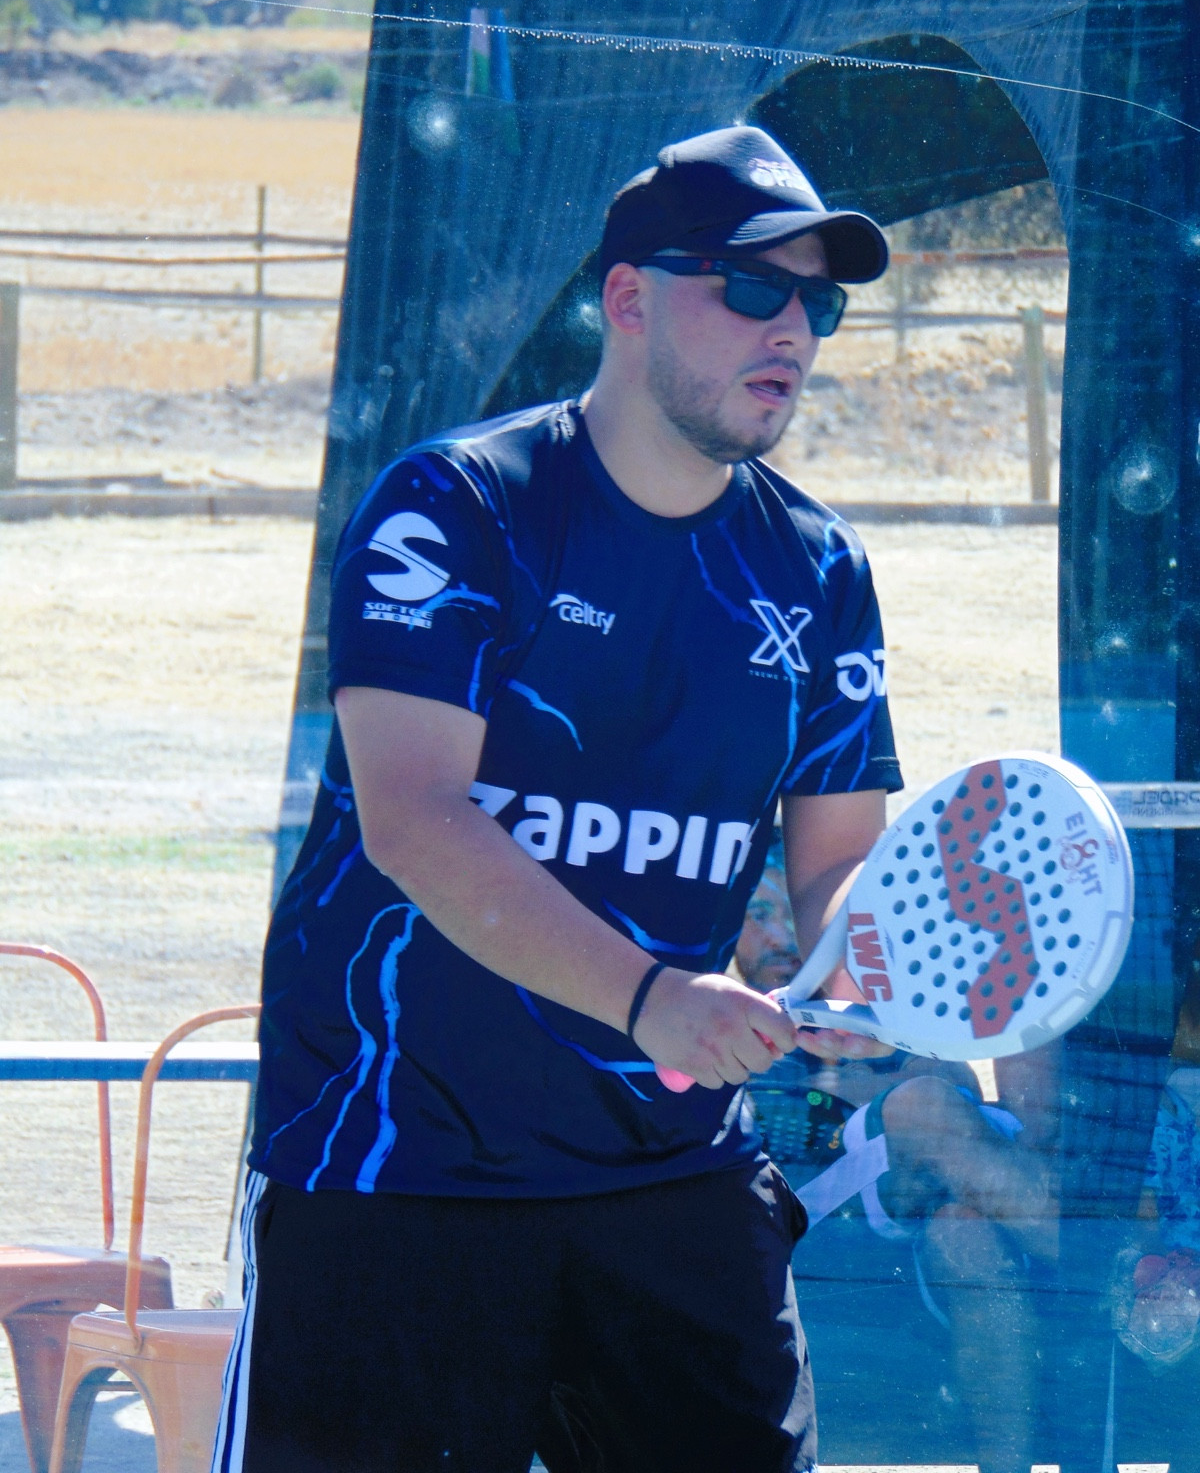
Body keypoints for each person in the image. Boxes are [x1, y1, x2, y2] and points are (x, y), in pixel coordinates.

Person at [212, 125, 900, 1473]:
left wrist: (861, 963)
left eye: (817, 305)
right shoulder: (457, 507)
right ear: (628, 297)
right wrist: (656, 1000)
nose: (791, 331)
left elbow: (837, 869)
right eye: (751, 287)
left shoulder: (823, 570)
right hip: (395, 1173)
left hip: (674, 1179)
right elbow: (415, 821)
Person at [736, 837, 1061, 1473]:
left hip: (903, 1215)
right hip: (805, 1227)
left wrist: (875, 1071)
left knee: (966, 1232)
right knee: (922, 1108)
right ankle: (1098, 1264)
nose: (778, 935)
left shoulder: (871, 1006)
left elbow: (957, 1080)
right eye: (757, 914)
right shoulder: (728, 1019)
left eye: (791, 912)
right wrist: (879, 1088)